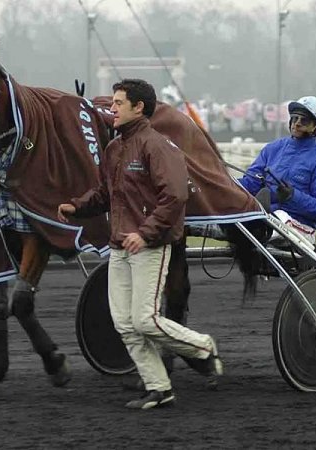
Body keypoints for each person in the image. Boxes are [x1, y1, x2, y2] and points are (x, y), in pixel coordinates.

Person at [57, 79, 222, 410]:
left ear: (139, 108)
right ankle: (160, 388)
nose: (112, 109)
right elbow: (106, 193)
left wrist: (145, 233)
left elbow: (175, 196)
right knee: (125, 325)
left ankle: (202, 346)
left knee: (144, 320)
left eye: (118, 103)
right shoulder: (114, 149)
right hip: (120, 247)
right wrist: (77, 206)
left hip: (150, 246)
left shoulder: (158, 147)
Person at [239, 96, 316, 244]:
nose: (297, 123)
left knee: (278, 218)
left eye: (304, 120)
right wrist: (225, 184)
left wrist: (293, 196)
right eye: (294, 118)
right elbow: (251, 183)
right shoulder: (273, 149)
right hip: (268, 219)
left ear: (315, 127)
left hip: (300, 228)